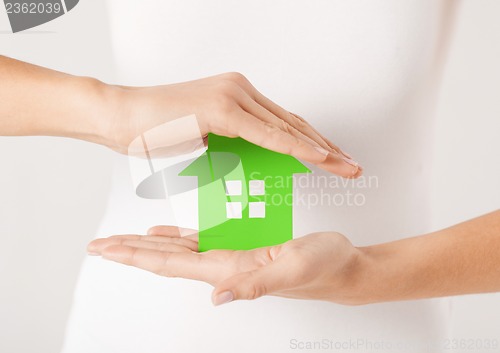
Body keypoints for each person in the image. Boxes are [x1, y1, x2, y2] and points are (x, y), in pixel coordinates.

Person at [1, 1, 498, 352]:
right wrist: (108, 110)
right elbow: (18, 14)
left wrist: (365, 272)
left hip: (384, 333)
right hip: (134, 328)